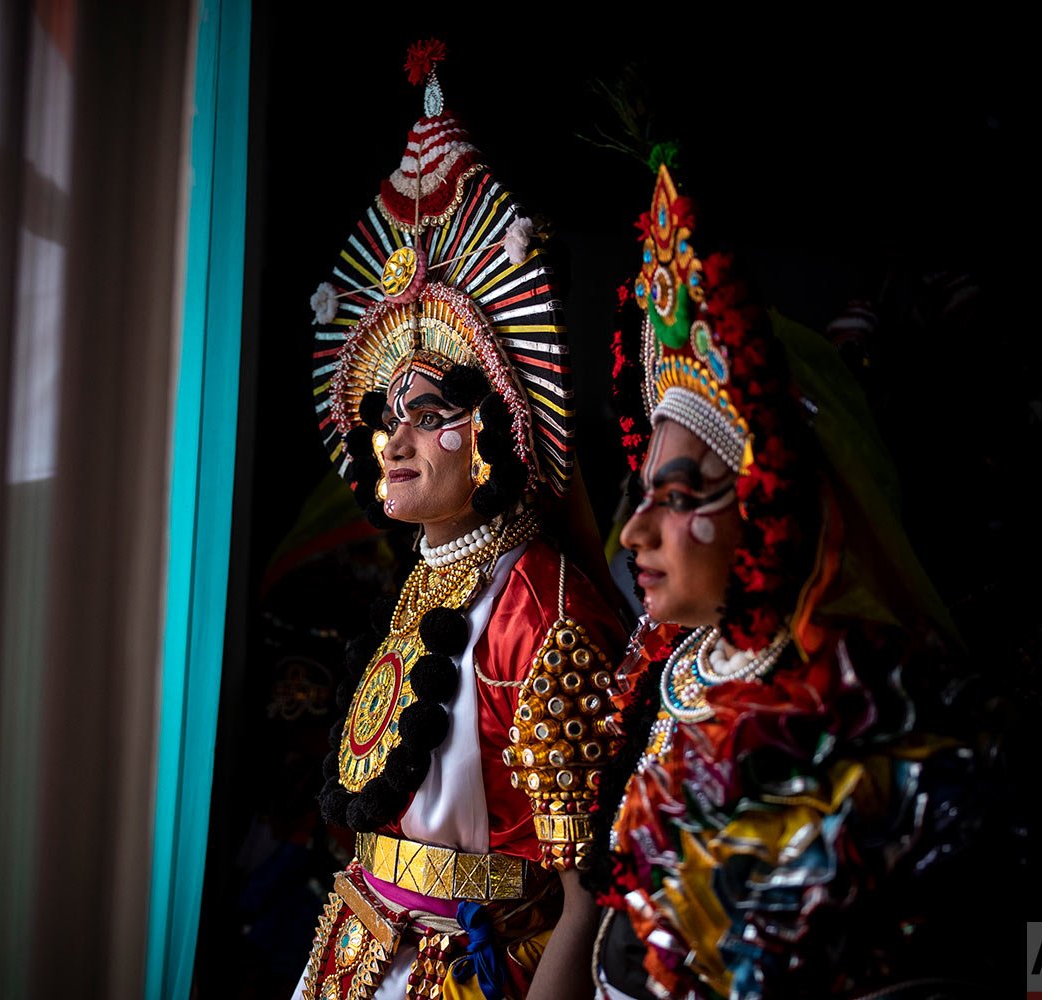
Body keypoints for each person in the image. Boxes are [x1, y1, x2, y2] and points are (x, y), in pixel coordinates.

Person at [586, 164, 1012, 999]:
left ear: (771, 494)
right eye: (641, 496)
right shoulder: (665, 675)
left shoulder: (883, 719)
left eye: (678, 497)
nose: (635, 531)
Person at [292, 41, 627, 1000]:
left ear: (497, 432)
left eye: (429, 413)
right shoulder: (432, 571)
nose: (394, 440)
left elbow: (587, 893)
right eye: (384, 415)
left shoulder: (540, 604)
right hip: (358, 950)